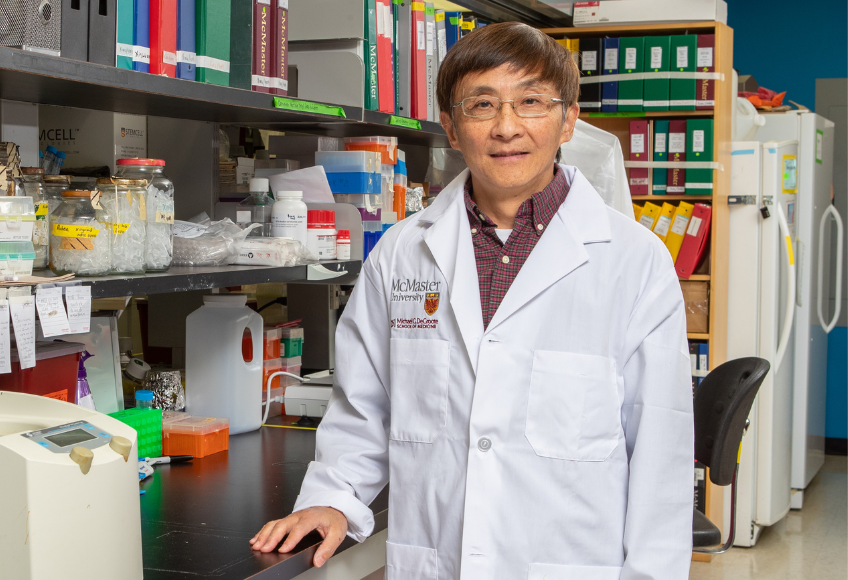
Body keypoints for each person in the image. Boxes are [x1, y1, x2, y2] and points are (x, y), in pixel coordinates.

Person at [251, 22, 693, 580]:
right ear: (452, 129)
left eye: (531, 101)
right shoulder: (402, 253)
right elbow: (365, 406)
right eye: (482, 106)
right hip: (438, 561)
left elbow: (660, 446)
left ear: (569, 119)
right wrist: (334, 496)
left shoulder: (634, 260)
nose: (507, 127)